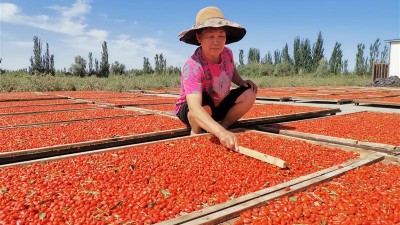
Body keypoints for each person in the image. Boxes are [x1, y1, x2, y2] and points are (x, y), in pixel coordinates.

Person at [175, 6, 257, 151]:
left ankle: (223, 123)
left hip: (218, 103)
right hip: (195, 107)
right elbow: (194, 107)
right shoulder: (192, 67)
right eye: (210, 36)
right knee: (203, 108)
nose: (216, 41)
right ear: (199, 38)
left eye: (221, 36)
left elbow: (231, 69)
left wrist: (241, 82)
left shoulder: (227, 53)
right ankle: (196, 131)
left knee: (250, 92)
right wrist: (221, 134)